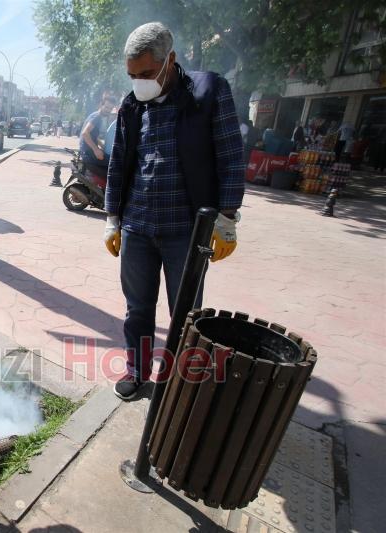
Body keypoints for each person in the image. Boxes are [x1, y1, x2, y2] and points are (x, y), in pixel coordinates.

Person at [103, 22, 245, 400]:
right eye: (132, 75)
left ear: (171, 61)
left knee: (185, 314)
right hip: (137, 226)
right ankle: (137, 370)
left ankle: (177, 381)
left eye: (147, 73)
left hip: (186, 231)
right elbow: (119, 163)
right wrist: (112, 219)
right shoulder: (132, 105)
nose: (140, 82)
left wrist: (227, 218)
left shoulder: (208, 92)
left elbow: (231, 157)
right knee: (137, 309)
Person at [80, 94, 118, 168]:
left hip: (87, 152)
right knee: (116, 164)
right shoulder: (97, 117)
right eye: (106, 107)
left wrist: (103, 146)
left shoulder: (96, 115)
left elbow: (92, 136)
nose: (108, 110)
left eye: (110, 109)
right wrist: (96, 150)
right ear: (101, 105)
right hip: (88, 153)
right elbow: (85, 133)